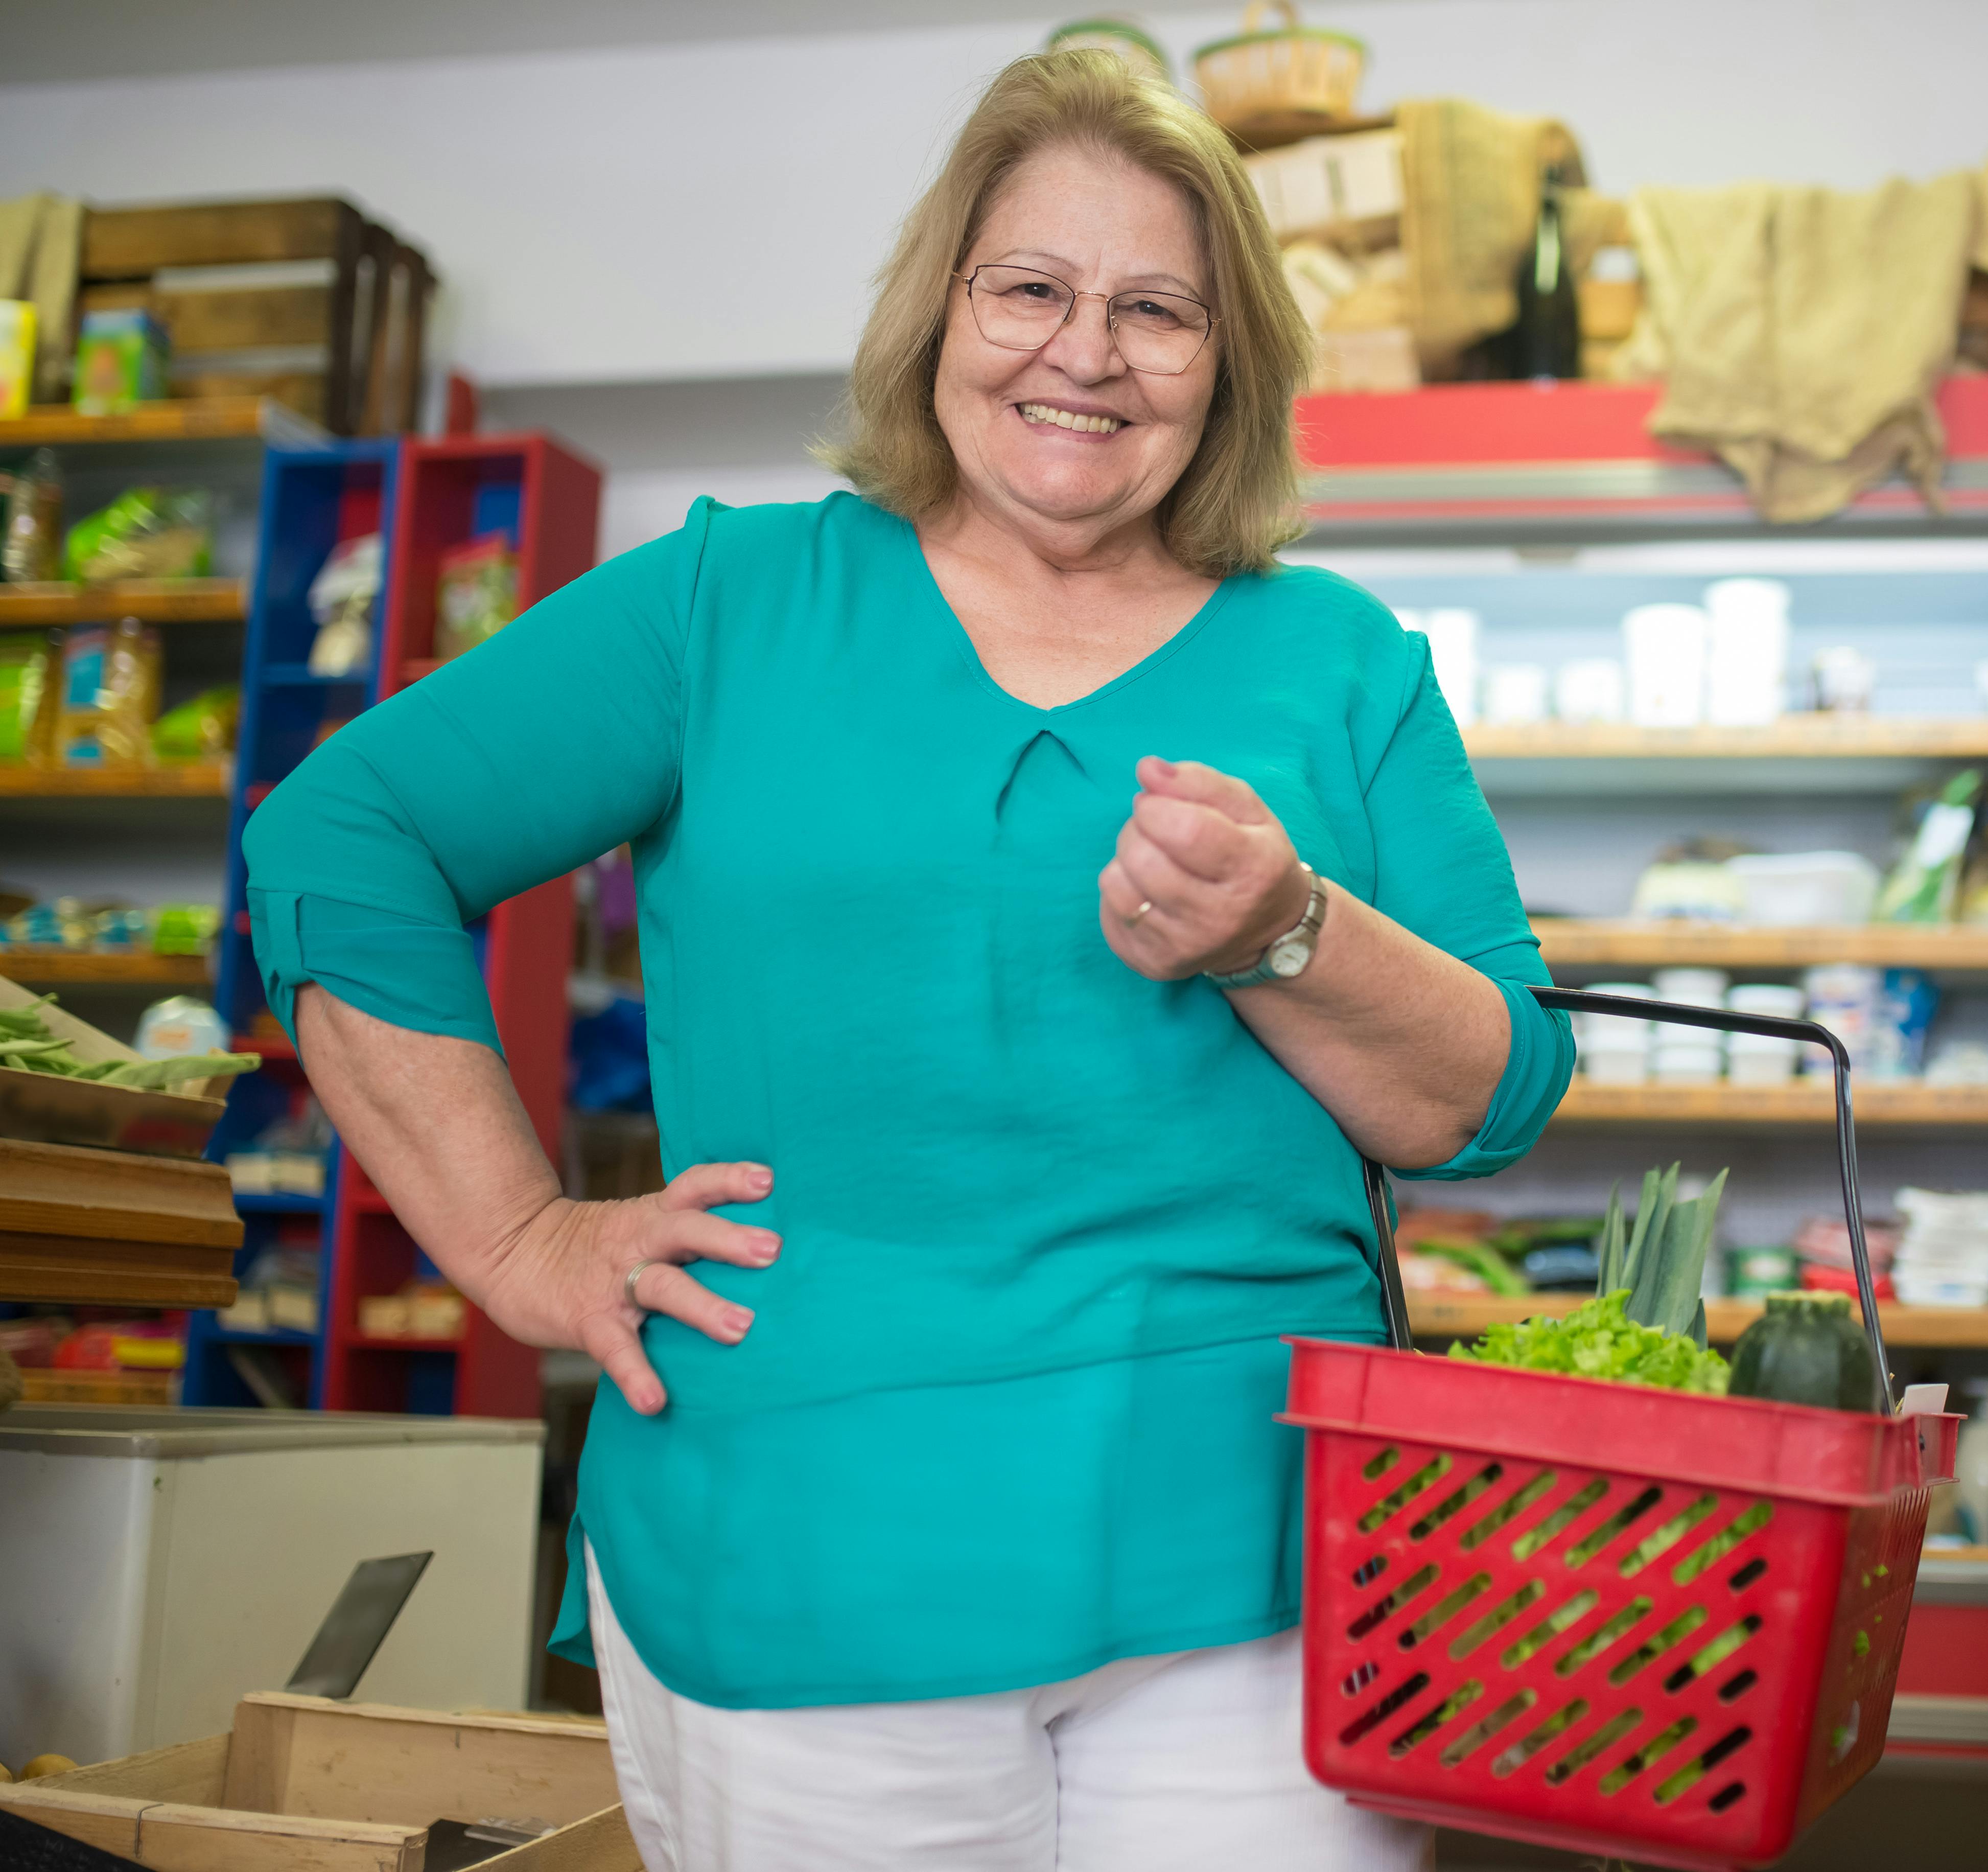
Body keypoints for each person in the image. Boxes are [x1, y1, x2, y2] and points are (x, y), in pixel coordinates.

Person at [242, 50, 1572, 1872]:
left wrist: (1284, 929)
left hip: (1257, 1558)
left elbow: (1490, 1098)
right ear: (941, 309)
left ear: (1230, 361)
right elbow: (342, 839)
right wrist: (520, 1242)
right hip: (802, 1548)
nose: (1084, 353)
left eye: (1156, 311)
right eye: (1028, 288)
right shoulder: (728, 607)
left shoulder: (1337, 662)